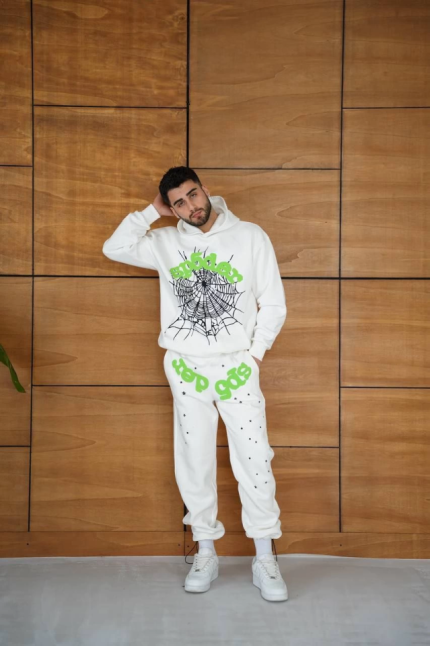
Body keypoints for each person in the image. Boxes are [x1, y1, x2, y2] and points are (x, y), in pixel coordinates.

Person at [102, 166, 288, 602]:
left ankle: (265, 558)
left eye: (193, 195)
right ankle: (206, 551)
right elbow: (115, 247)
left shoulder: (250, 236)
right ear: (171, 207)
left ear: (205, 189)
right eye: (178, 203)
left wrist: (254, 356)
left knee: (255, 459)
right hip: (187, 369)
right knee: (193, 458)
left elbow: (274, 303)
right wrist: (152, 212)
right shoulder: (165, 242)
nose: (190, 207)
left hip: (237, 368)